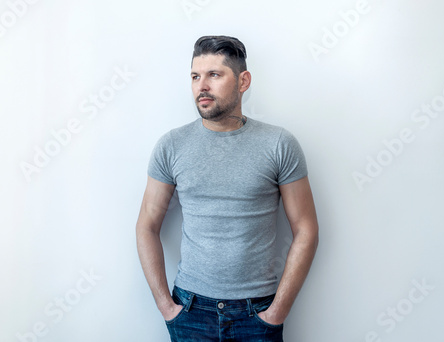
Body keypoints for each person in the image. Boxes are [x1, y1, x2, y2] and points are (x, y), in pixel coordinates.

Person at [136, 35, 319, 341]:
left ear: (243, 81)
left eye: (214, 75)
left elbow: (306, 229)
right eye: (195, 76)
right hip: (190, 311)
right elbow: (147, 224)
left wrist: (276, 313)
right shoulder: (171, 145)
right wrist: (166, 306)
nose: (201, 86)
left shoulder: (278, 144)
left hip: (257, 313)